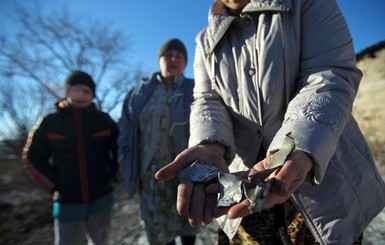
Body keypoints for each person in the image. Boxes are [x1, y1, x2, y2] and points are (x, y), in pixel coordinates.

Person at [155, 0, 385, 244]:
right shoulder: (204, 40)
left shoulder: (306, 3)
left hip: (323, 181)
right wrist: (209, 144)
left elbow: (329, 75)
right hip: (241, 191)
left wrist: (296, 145)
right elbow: (207, 100)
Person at [22, 70, 120, 245]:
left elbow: (121, 149)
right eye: (75, 89)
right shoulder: (50, 122)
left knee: (101, 241)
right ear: (66, 92)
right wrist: (54, 184)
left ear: (92, 95)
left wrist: (114, 174)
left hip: (102, 198)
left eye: (86, 91)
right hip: (68, 202)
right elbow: (32, 157)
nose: (80, 95)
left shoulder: (104, 120)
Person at [118, 38, 198, 245]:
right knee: (159, 228)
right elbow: (125, 133)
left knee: (187, 217)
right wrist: (125, 164)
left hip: (186, 170)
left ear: (185, 63)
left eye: (179, 56)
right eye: (168, 55)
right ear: (159, 60)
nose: (173, 59)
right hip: (149, 172)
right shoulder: (139, 93)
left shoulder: (195, 89)